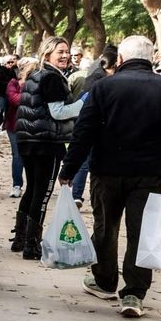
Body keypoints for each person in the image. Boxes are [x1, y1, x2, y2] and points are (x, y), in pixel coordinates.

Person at [58, 36, 161, 319]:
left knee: (106, 227)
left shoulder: (103, 87)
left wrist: (68, 169)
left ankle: (104, 280)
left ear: (121, 59)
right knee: (141, 231)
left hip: (107, 169)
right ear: (151, 58)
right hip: (149, 172)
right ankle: (134, 293)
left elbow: (84, 132)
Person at [11, 37, 84, 259]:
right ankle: (31, 244)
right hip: (45, 143)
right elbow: (58, 112)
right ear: (47, 54)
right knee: (41, 193)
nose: (65, 55)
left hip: (27, 141)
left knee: (32, 189)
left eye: (67, 51)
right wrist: (83, 103)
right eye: (60, 51)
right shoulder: (52, 78)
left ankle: (20, 238)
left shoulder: (36, 75)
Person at [67, 43, 117, 203]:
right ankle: (76, 194)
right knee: (86, 162)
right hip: (93, 125)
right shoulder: (97, 78)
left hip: (97, 126)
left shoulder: (96, 74)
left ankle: (77, 194)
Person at [4, 58, 35, 196]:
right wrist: (31, 97)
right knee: (18, 156)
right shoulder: (13, 83)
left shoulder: (36, 84)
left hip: (32, 125)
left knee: (32, 156)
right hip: (14, 125)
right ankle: (17, 185)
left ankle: (33, 186)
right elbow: (14, 99)